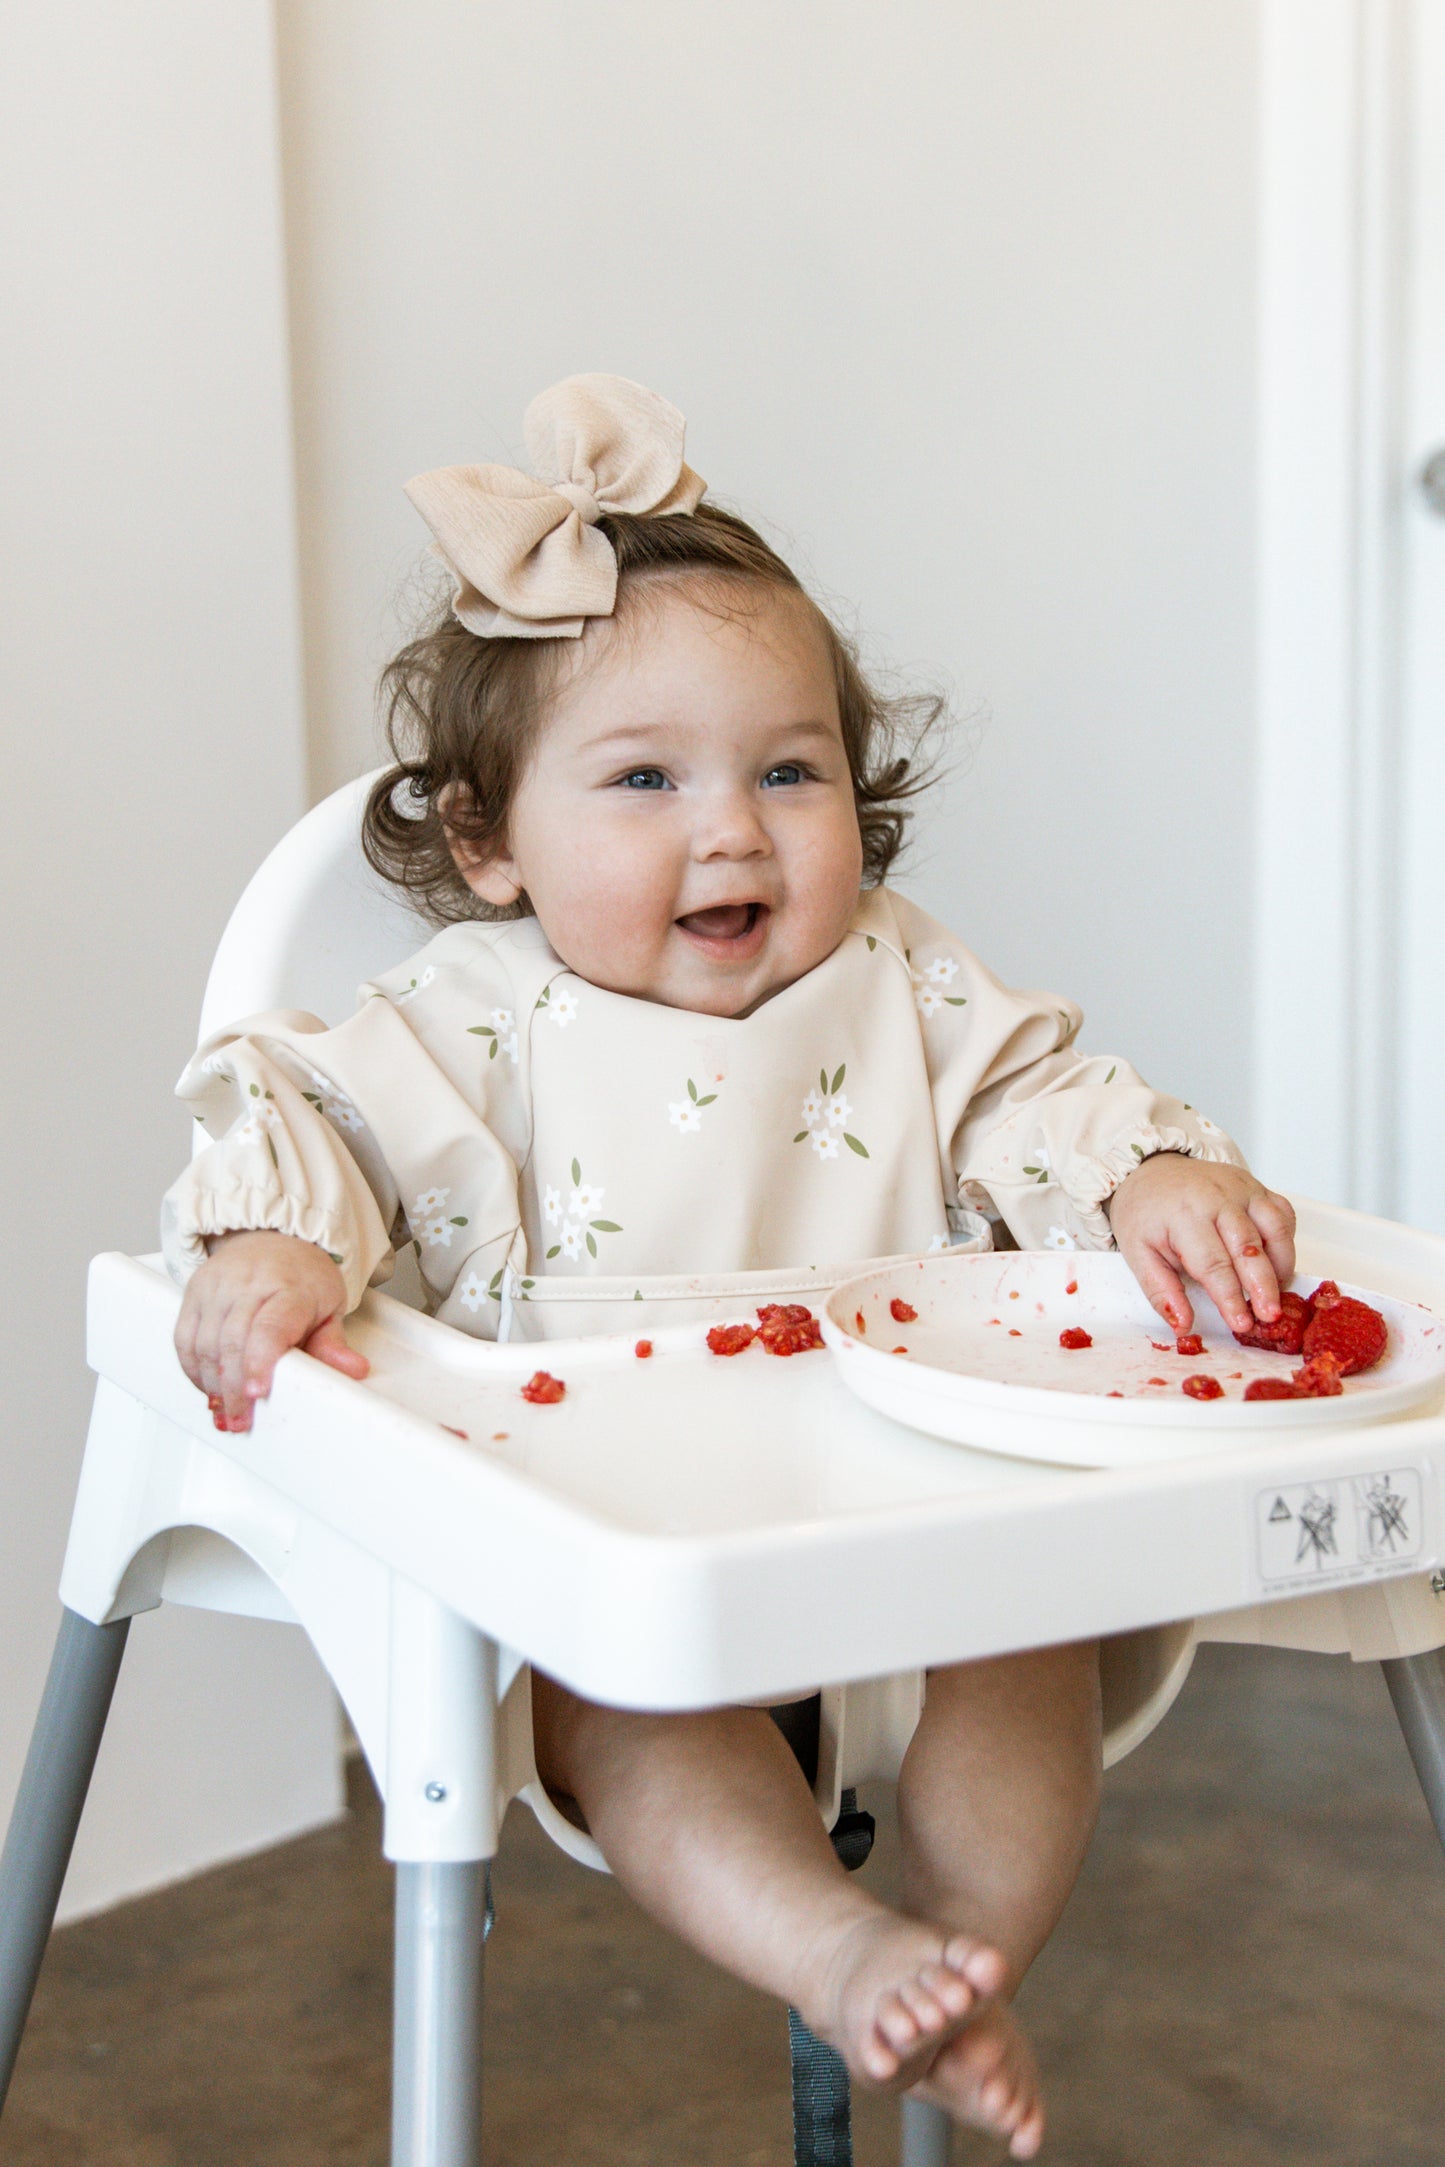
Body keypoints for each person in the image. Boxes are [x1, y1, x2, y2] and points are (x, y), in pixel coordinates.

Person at [166, 375, 1294, 2156]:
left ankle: (958, 1967)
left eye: (790, 770)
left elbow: (1037, 1099)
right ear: (487, 841)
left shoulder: (902, 990)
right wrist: (273, 1245)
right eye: (642, 780)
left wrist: (1146, 1173)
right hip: (639, 1586)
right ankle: (839, 1950)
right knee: (626, 1717)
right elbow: (308, 1123)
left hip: (920, 1544)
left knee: (1032, 1632)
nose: (733, 829)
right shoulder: (465, 1020)